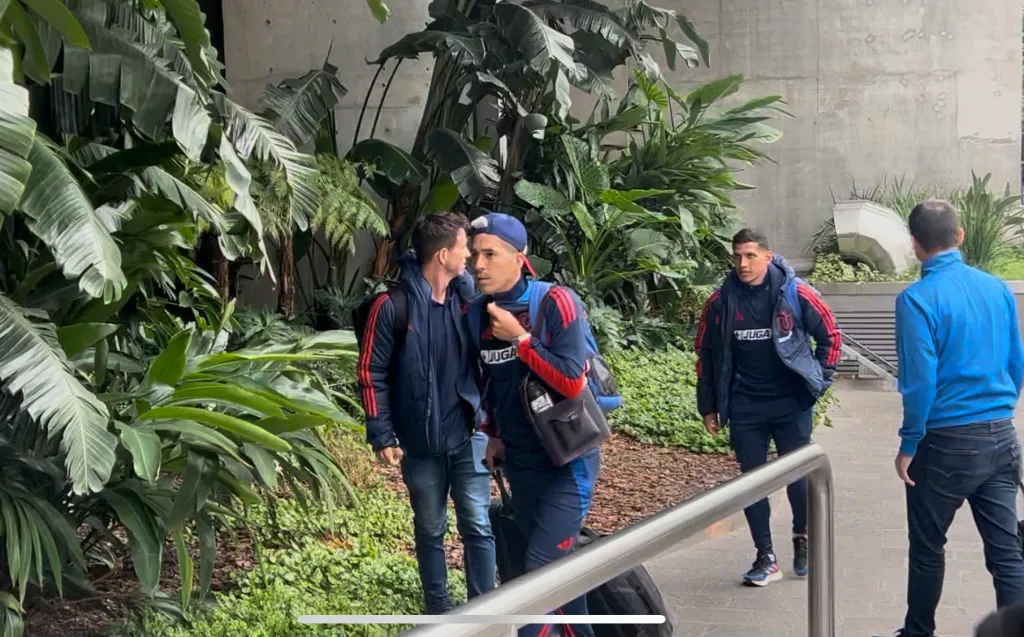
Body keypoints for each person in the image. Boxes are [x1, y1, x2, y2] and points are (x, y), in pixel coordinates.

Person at [878, 200, 1024, 637]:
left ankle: (918, 631)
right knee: (1007, 553)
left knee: (927, 549)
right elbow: (1017, 360)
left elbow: (919, 383)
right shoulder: (997, 288)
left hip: (944, 443)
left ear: (914, 245)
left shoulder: (916, 300)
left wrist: (909, 444)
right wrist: (999, 410)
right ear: (959, 236)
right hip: (1001, 436)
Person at [467, 211, 600, 637]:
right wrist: (492, 435)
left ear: (518, 257)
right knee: (563, 584)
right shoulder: (478, 314)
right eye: (475, 255)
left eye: (490, 254)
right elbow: (489, 382)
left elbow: (571, 378)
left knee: (538, 578)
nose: (479, 265)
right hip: (520, 463)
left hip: (567, 461)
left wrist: (521, 340)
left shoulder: (554, 301)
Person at [357, 212, 496, 614]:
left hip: (470, 433)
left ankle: (483, 609)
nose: (469, 255)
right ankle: (439, 609)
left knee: (478, 525)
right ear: (442, 254)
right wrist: (381, 434)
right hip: (419, 440)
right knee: (430, 528)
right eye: (463, 247)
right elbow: (371, 372)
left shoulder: (469, 302)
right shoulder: (390, 307)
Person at [695, 228, 842, 586]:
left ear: (767, 255)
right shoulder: (720, 302)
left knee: (796, 473)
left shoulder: (795, 293)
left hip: (791, 402)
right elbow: (706, 355)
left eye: (749, 256)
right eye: (737, 257)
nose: (742, 264)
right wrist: (709, 405)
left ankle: (802, 536)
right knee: (752, 482)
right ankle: (765, 556)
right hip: (746, 405)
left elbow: (831, 336)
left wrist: (818, 382)